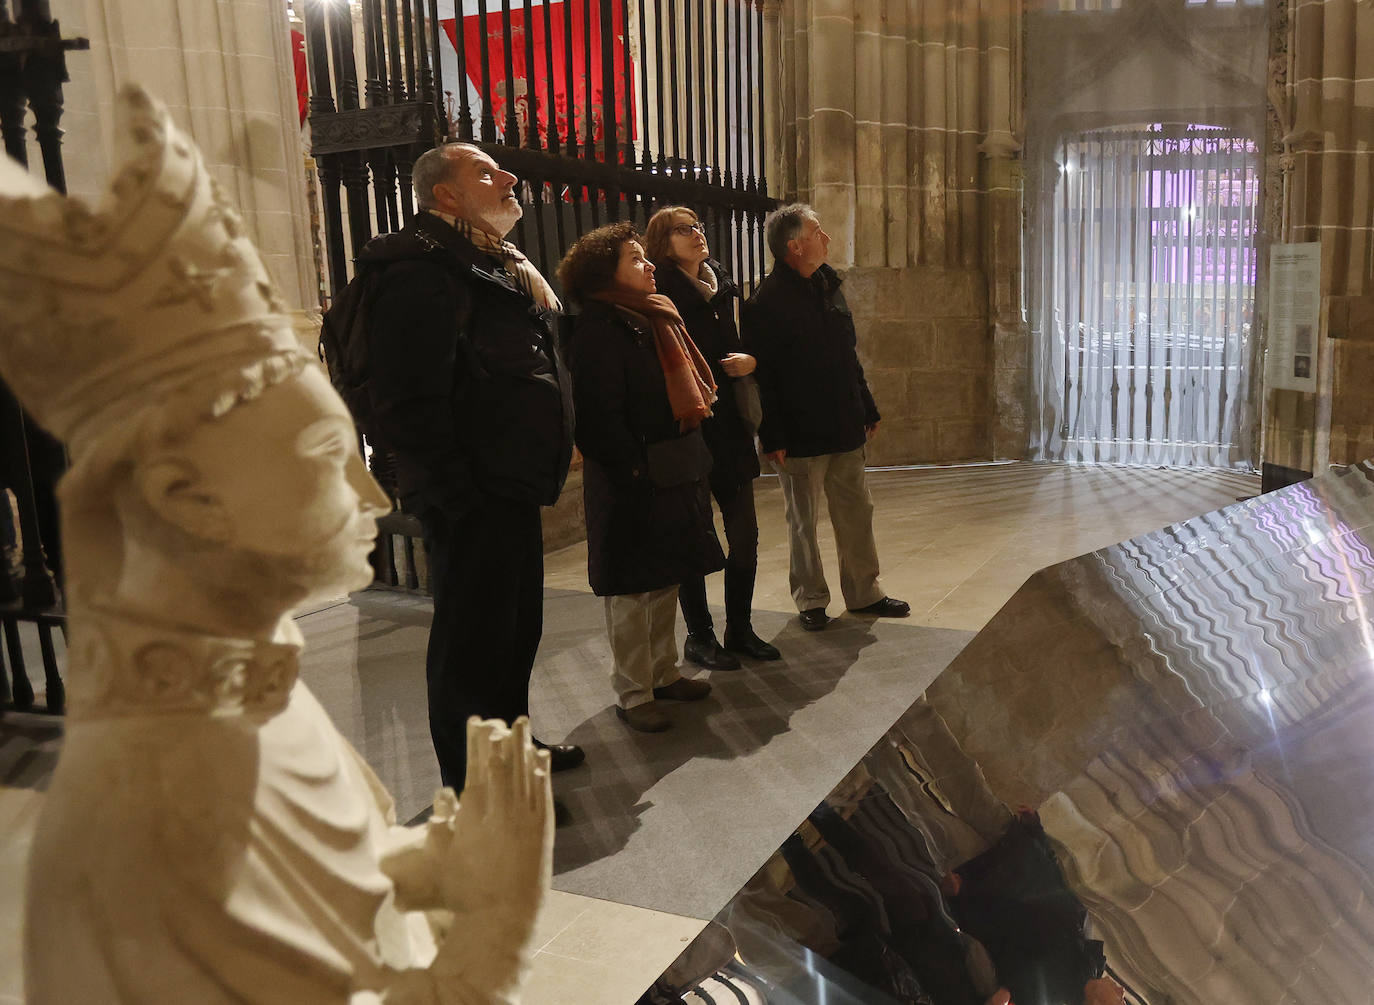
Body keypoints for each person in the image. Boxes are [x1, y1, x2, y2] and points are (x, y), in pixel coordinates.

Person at [360, 142, 582, 790]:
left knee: (514, 635)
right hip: (471, 494)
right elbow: (408, 403)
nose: (508, 176)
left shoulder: (492, 264)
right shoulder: (419, 272)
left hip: (507, 487)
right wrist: (457, 495)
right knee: (471, 647)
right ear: (446, 196)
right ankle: (480, 786)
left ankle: (512, 750)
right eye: (486, 172)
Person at [558, 222, 726, 733]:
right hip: (630, 473)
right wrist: (632, 467)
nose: (649, 265)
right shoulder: (598, 329)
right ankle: (634, 693)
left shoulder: (653, 316)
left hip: (672, 465)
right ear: (603, 273)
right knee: (632, 589)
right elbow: (598, 416)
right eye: (635, 259)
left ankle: (663, 671)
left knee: (667, 576)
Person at [742, 203, 909, 631]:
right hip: (799, 432)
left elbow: (846, 356)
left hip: (843, 424)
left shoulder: (829, 286)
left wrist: (865, 405)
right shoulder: (766, 301)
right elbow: (765, 376)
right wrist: (772, 433)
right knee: (803, 522)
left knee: (857, 512)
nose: (827, 239)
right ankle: (811, 599)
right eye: (819, 232)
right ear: (795, 245)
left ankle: (864, 591)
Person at [643, 206, 780, 669]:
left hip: (732, 429)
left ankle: (739, 629)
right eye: (684, 229)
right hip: (691, 430)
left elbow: (744, 341)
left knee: (745, 536)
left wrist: (752, 361)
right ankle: (700, 637)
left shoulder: (721, 282)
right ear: (663, 241)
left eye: (699, 226)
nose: (698, 234)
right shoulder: (658, 290)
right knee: (697, 538)